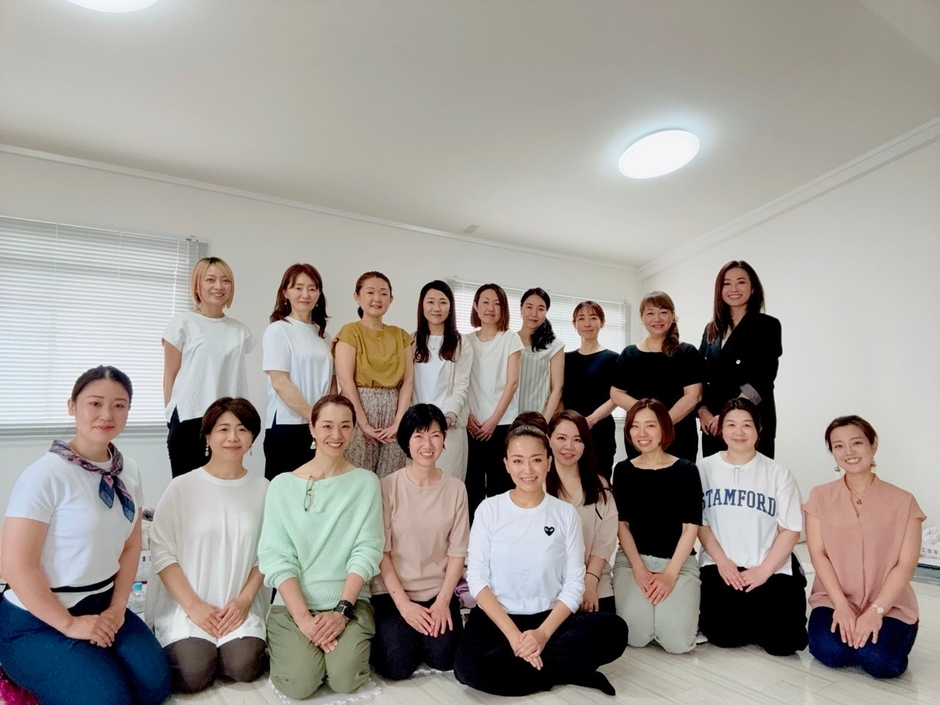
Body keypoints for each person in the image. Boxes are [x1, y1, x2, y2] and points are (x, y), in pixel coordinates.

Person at [0, 366, 171, 705]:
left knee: (154, 687)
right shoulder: (45, 475)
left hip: (102, 602)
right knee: (108, 700)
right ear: (72, 406)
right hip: (37, 617)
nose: (107, 414)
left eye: (119, 405)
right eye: (95, 403)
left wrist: (118, 608)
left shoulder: (128, 469)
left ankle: (88, 663)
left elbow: (131, 544)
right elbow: (15, 566)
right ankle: (18, 673)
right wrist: (69, 625)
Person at [454, 424, 628, 696]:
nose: (527, 469)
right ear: (506, 464)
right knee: (467, 670)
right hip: (500, 619)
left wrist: (542, 635)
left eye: (536, 460)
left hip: (550, 619)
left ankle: (532, 665)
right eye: (518, 461)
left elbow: (574, 583)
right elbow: (476, 579)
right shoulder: (489, 510)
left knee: (615, 631)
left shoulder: (565, 514)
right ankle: (565, 670)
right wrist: (515, 637)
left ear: (548, 462)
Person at [258, 394, 384, 699]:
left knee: (345, 678)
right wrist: (304, 620)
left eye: (345, 426)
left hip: (349, 603)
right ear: (312, 428)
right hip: (293, 605)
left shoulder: (366, 482)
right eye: (327, 425)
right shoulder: (282, 485)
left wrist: (341, 612)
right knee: (299, 684)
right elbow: (276, 557)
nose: (336, 435)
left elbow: (367, 550)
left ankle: (331, 653)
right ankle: (303, 650)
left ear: (354, 430)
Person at [148, 397, 270, 693]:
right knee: (193, 673)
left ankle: (231, 646)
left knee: (243, 666)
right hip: (188, 603)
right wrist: (194, 607)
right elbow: (162, 552)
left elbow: (269, 554)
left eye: (242, 429)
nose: (232, 437)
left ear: (252, 438)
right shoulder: (182, 487)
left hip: (237, 604)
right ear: (207, 436)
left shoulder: (265, 489)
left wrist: (243, 603)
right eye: (223, 429)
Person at [804, 416, 924, 678]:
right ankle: (854, 639)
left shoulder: (903, 501)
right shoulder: (819, 496)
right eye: (838, 446)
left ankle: (882, 636)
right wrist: (841, 605)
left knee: (880, 661)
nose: (849, 452)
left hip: (889, 604)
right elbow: (818, 554)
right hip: (835, 598)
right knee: (830, 651)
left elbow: (906, 565)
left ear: (873, 445)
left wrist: (875, 612)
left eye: (856, 443)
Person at [697, 399, 807, 656]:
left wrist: (763, 571)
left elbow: (791, 530)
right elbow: (701, 523)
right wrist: (723, 562)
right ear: (720, 430)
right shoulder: (703, 469)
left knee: (784, 644)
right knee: (724, 636)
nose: (739, 432)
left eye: (747, 425)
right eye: (731, 425)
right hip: (721, 566)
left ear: (759, 430)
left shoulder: (778, 473)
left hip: (768, 566)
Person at [370, 404, 470, 679]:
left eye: (435, 435)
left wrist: (443, 602)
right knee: (396, 666)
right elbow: (382, 553)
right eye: (419, 436)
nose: (428, 444)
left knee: (445, 658)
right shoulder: (387, 487)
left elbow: (458, 553)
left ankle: (421, 636)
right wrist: (404, 606)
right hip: (394, 594)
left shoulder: (456, 489)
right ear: (406, 440)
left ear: (444, 439)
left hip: (437, 593)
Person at [612, 399, 702, 654]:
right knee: (635, 636)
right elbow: (621, 525)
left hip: (677, 563)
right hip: (633, 560)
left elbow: (691, 528)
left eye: (650, 425)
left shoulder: (686, 470)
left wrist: (670, 575)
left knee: (677, 644)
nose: (642, 433)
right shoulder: (623, 470)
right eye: (635, 426)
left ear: (664, 428)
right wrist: (639, 569)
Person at [163, 256, 256, 477]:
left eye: (226, 280)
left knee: (226, 485)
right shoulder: (182, 323)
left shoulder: (240, 330)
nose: (219, 286)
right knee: (188, 489)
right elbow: (169, 374)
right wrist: (170, 415)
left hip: (229, 420)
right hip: (190, 417)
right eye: (211, 280)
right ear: (197, 285)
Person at [698, 261, 782, 458]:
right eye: (727, 283)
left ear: (753, 288)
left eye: (741, 282)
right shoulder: (711, 329)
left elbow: (763, 378)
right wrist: (702, 410)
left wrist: (727, 416)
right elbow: (701, 375)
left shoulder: (767, 325)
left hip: (750, 419)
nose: (734, 289)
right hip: (713, 424)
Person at [334, 271, 413, 477]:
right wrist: (364, 424)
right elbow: (345, 381)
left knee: (391, 476)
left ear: (391, 299)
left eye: (383, 293)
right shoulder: (350, 332)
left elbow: (408, 382)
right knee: (356, 473)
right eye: (370, 292)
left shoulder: (400, 335)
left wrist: (398, 422)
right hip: (358, 406)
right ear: (357, 296)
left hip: (394, 409)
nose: (377, 298)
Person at [611, 292, 703, 463]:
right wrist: (647, 420)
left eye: (663, 312)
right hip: (641, 437)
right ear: (642, 317)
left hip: (679, 436)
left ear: (672, 316)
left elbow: (693, 395)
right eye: (650, 313)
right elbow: (616, 394)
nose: (657, 318)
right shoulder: (629, 354)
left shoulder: (687, 352)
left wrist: (662, 424)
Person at [262, 263, 335, 480]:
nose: (306, 294)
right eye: (298, 288)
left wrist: (329, 419)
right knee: (285, 492)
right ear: (285, 292)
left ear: (319, 294)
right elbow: (280, 383)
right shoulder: (278, 330)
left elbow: (332, 382)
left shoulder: (324, 336)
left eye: (312, 288)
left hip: (319, 428)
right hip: (287, 426)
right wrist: (314, 417)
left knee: (318, 489)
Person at [547, 410, 618, 614]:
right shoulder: (536, 485)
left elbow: (604, 541)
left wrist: (590, 581)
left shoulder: (600, 485)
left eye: (577, 440)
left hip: (594, 581)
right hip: (550, 585)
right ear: (548, 439)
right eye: (561, 438)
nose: (569, 446)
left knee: (612, 628)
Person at [465, 283, 524, 520]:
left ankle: (502, 535)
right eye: (486, 302)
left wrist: (493, 421)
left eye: (497, 303)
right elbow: (460, 383)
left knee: (501, 486)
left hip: (502, 424)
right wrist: (467, 415)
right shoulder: (465, 340)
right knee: (472, 487)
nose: (491, 308)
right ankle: (474, 537)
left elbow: (512, 383)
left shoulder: (510, 339)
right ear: (475, 306)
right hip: (471, 424)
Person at [410, 281, 473, 481]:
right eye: (430, 302)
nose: (436, 308)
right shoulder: (410, 342)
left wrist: (449, 417)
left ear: (450, 307)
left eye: (443, 302)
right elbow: (406, 385)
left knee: (448, 485)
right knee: (417, 485)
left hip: (449, 427)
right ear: (422, 306)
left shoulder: (462, 343)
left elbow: (461, 385)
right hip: (417, 426)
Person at [562, 301, 619, 479]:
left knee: (599, 483)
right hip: (569, 431)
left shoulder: (613, 358)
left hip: (600, 430)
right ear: (574, 324)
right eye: (581, 318)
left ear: (602, 322)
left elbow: (616, 397)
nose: (587, 323)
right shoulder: (564, 359)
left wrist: (592, 419)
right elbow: (558, 393)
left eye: (593, 318)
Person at [516, 288, 566, 419]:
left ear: (546, 312)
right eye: (529, 307)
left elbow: (557, 388)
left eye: (540, 309)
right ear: (521, 309)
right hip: (507, 418)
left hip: (538, 417)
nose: (534, 313)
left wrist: (544, 422)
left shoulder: (554, 345)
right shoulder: (509, 340)